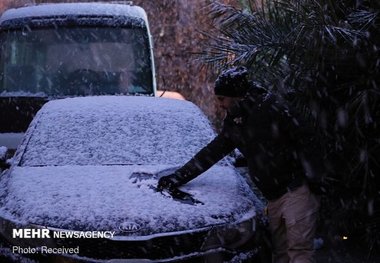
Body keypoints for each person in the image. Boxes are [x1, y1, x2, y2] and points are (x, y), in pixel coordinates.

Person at [158, 66, 324, 263]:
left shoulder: (272, 108)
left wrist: (313, 180)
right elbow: (213, 152)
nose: (220, 105)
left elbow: (307, 140)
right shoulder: (237, 120)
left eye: (222, 99)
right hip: (273, 196)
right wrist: (178, 177)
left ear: (237, 96)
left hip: (296, 190)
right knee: (280, 253)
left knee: (299, 251)